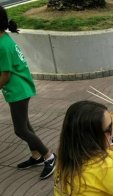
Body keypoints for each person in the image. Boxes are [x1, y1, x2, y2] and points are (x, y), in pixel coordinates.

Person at [0, 5, 55, 179]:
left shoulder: (2, 46)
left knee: (20, 129)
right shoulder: (4, 38)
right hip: (20, 89)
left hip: (18, 91)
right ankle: (36, 156)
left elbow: (5, 76)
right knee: (26, 125)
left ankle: (49, 156)